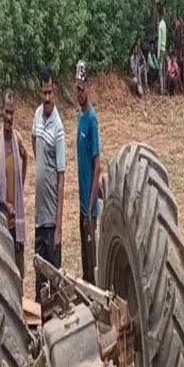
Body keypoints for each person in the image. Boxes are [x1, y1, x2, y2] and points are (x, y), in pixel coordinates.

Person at [31, 66, 67, 304]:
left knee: (54, 282)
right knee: (39, 279)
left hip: (51, 219)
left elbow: (62, 178)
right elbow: (34, 139)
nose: (46, 98)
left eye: (49, 93)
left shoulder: (58, 128)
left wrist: (59, 227)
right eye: (43, 93)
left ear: (54, 91)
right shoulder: (37, 115)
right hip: (38, 217)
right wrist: (41, 166)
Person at [0, 90, 30, 278]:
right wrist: (5, 205)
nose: (8, 117)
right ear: (1, 112)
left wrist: (21, 186)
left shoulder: (17, 139)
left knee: (19, 270)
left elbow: (26, 157)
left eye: (11, 113)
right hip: (4, 219)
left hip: (17, 219)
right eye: (6, 112)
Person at [75, 60, 101, 284]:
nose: (79, 93)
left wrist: (90, 208)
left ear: (88, 88)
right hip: (81, 204)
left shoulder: (91, 120)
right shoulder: (80, 118)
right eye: (76, 89)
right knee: (84, 258)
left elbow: (97, 166)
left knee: (92, 262)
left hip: (89, 207)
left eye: (82, 89)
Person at [157, 10, 168, 95]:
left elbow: (159, 40)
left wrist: (158, 55)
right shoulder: (164, 24)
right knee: (164, 70)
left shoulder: (160, 25)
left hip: (161, 50)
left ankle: (161, 89)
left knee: (161, 70)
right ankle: (164, 87)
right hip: (164, 49)